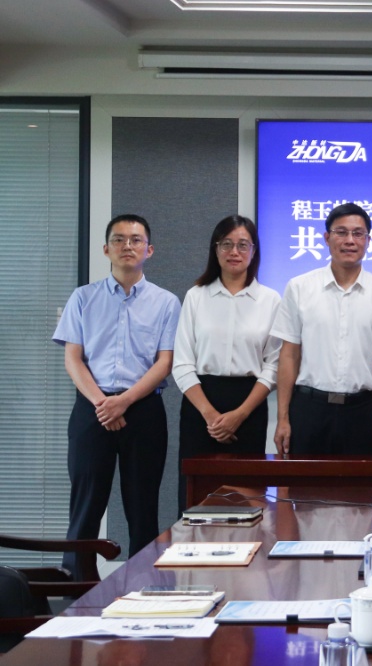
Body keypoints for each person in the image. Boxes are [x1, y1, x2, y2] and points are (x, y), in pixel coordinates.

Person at [52, 214, 181, 578]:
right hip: (92, 408)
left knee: (143, 505)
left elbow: (165, 362)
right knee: (85, 504)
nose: (128, 246)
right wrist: (102, 403)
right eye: (119, 239)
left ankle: (143, 589)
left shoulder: (166, 302)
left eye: (136, 240)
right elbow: (73, 358)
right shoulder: (83, 298)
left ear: (149, 250)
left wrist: (123, 402)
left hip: (143, 410)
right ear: (105, 249)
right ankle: (76, 586)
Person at [270, 202, 372, 457]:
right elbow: (289, 355)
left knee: (360, 483)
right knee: (302, 481)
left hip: (362, 412)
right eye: (341, 232)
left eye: (358, 233)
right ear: (327, 238)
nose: (350, 240)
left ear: (368, 241)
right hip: (309, 409)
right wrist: (283, 418)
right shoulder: (299, 287)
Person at [172, 215, 282, 512]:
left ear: (254, 251)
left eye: (243, 245)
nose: (234, 252)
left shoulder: (270, 300)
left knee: (246, 500)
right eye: (226, 244)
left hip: (249, 407)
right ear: (215, 249)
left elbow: (273, 366)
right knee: (197, 499)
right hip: (200, 406)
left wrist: (240, 414)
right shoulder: (196, 296)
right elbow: (182, 363)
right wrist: (210, 415)